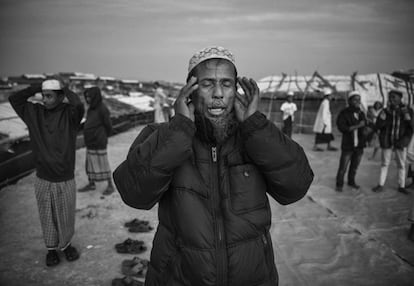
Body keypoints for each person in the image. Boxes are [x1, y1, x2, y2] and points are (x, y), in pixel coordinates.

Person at [113, 46, 314, 286]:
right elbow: (134, 193)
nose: (218, 93)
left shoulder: (253, 137)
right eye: (208, 84)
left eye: (227, 84)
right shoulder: (163, 137)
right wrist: (179, 130)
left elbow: (296, 186)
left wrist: (255, 126)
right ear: (190, 90)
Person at [9, 79, 84, 266]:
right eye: (43, 95)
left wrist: (63, 87)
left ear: (60, 96)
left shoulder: (70, 114)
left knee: (65, 214)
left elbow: (79, 105)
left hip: (65, 176)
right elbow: (14, 99)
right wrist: (38, 86)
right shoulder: (34, 113)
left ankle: (66, 245)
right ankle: (51, 249)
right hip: (43, 176)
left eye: (50, 96)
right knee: (46, 214)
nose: (45, 99)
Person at [372, 90, 414, 194]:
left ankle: (401, 186)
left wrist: (408, 119)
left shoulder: (407, 111)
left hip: (401, 142)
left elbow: (412, 128)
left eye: (394, 97)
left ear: (400, 98)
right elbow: (378, 126)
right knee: (385, 164)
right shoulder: (385, 111)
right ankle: (380, 185)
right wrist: (381, 120)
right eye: (390, 97)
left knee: (401, 165)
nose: (391, 99)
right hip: (387, 142)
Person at [78, 86, 115, 195]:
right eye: (87, 97)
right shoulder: (91, 109)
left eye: (90, 97)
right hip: (90, 142)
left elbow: (108, 125)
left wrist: (103, 136)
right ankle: (92, 183)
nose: (88, 99)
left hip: (99, 141)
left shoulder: (102, 109)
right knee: (90, 163)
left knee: (102, 163)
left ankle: (110, 185)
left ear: (95, 96)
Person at [335, 91, 367, 192]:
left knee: (354, 167)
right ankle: (339, 184)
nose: (357, 101)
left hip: (359, 145)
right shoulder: (344, 113)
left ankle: (351, 182)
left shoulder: (361, 113)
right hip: (348, 145)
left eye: (359, 99)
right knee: (343, 167)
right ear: (350, 101)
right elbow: (342, 127)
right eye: (355, 99)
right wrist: (358, 126)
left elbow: (365, 125)